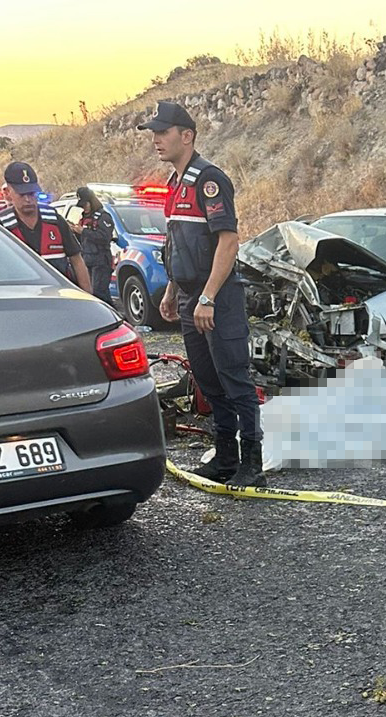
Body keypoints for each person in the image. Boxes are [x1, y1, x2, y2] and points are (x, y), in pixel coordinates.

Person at [139, 101, 264, 487]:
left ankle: (252, 461)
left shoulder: (208, 179)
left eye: (163, 132)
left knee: (234, 379)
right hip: (189, 297)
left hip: (218, 298)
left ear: (186, 135)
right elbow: (176, 245)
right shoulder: (175, 185)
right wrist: (173, 289)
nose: (157, 140)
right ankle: (225, 456)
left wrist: (208, 297)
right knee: (208, 382)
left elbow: (228, 242)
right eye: (154, 133)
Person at [0, 162, 93, 293]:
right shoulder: (1, 225)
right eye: (22, 195)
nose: (28, 199)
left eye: (31, 193)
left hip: (60, 297)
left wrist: (88, 297)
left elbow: (77, 260)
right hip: (21, 298)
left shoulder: (54, 220)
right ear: (9, 191)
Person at [73, 186, 125, 304]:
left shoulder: (103, 217)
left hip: (101, 261)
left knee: (100, 293)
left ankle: (112, 317)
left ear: (91, 202)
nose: (84, 208)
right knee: (89, 293)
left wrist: (84, 231)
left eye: (85, 204)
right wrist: (74, 231)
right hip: (87, 260)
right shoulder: (84, 218)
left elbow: (104, 237)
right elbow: (81, 241)